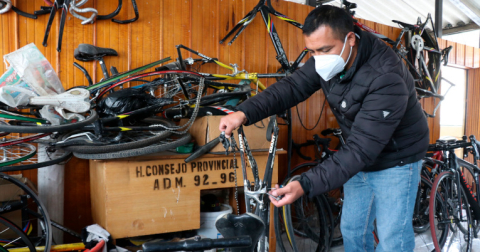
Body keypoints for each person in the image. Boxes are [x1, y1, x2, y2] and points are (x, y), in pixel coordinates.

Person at [218, 5, 429, 252]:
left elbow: (361, 150)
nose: (319, 58)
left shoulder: (385, 76)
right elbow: (292, 87)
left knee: (392, 238)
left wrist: (304, 184)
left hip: (397, 160)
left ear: (350, 38)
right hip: (359, 154)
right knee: (352, 230)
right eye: (313, 51)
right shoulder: (329, 59)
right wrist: (244, 112)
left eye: (325, 50)